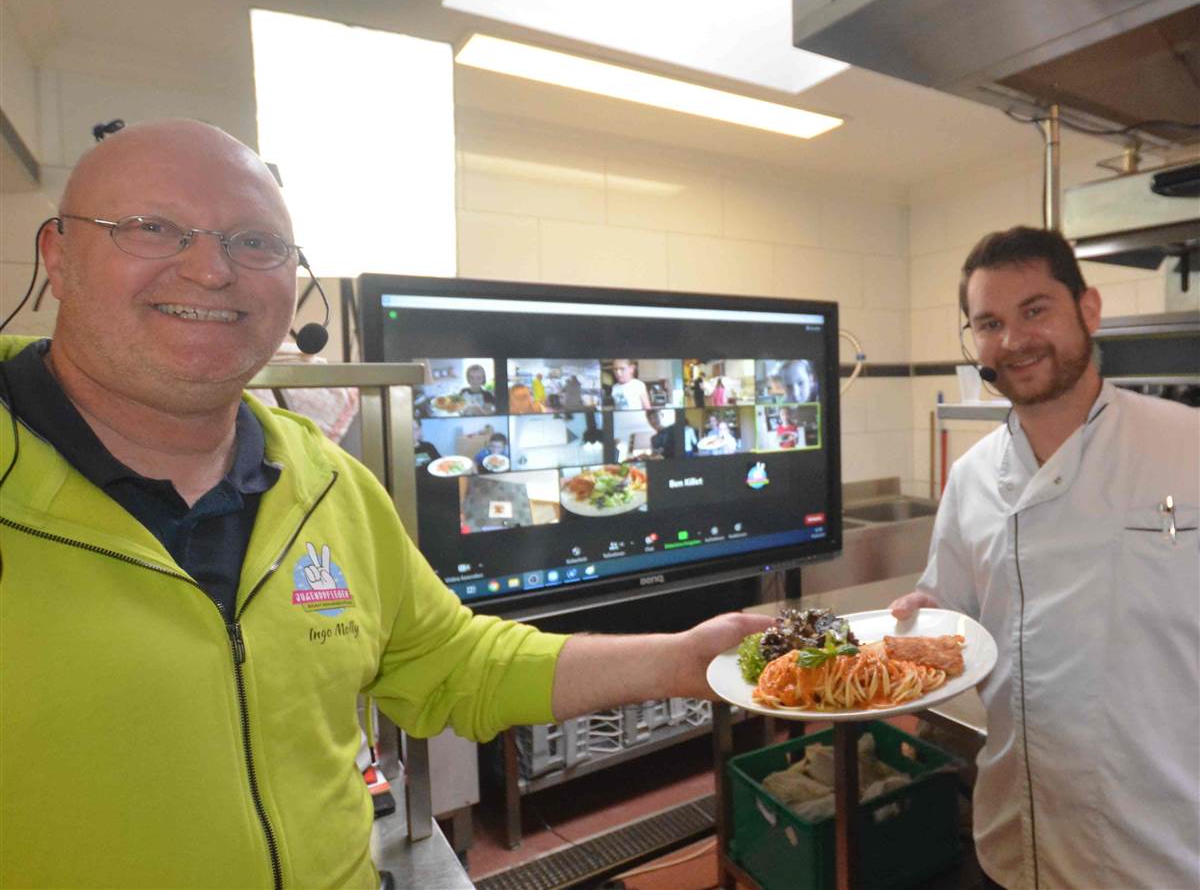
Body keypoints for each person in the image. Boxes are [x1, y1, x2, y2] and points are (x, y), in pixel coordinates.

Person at [0, 120, 772, 888]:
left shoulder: (328, 484)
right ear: (58, 259)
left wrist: (681, 660)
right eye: (153, 228)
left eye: (255, 242)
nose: (209, 270)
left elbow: (453, 664)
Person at [888, 226, 1199, 890]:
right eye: (989, 322)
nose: (1014, 340)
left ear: (1088, 309)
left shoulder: (1187, 447)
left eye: (1036, 310)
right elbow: (954, 618)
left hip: (1169, 852)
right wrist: (924, 619)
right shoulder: (971, 478)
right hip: (1015, 837)